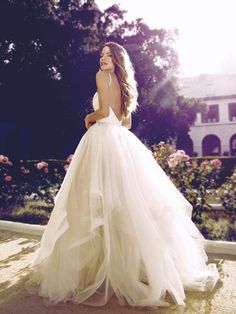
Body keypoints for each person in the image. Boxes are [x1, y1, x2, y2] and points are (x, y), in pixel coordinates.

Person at [25, 42, 219, 308]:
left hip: (102, 140)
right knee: (124, 204)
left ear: (117, 59)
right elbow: (125, 121)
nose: (103, 59)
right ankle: (126, 270)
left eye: (108, 55)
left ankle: (99, 272)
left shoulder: (101, 77)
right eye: (101, 55)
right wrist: (109, 121)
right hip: (120, 140)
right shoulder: (122, 81)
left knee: (94, 203)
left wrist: (90, 117)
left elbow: (104, 112)